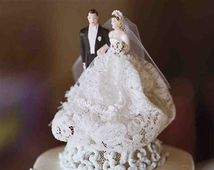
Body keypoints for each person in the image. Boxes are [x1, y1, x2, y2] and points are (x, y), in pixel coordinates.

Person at [52, 10, 175, 156]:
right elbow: (107, 46)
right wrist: (104, 50)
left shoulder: (123, 35)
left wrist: (119, 49)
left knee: (124, 86)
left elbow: (126, 47)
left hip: (121, 60)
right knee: (101, 84)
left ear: (120, 23)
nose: (112, 24)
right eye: (112, 22)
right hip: (109, 59)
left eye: (115, 22)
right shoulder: (109, 34)